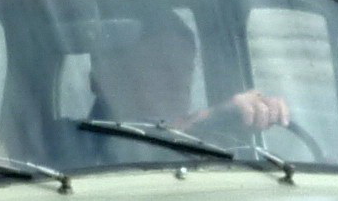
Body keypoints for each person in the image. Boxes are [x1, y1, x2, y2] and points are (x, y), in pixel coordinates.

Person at [89, 9, 291, 134]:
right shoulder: (74, 144)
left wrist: (262, 111)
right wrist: (211, 117)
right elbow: (142, 144)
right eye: (162, 67)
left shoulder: (206, 144)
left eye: (185, 69)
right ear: (110, 75)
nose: (178, 81)